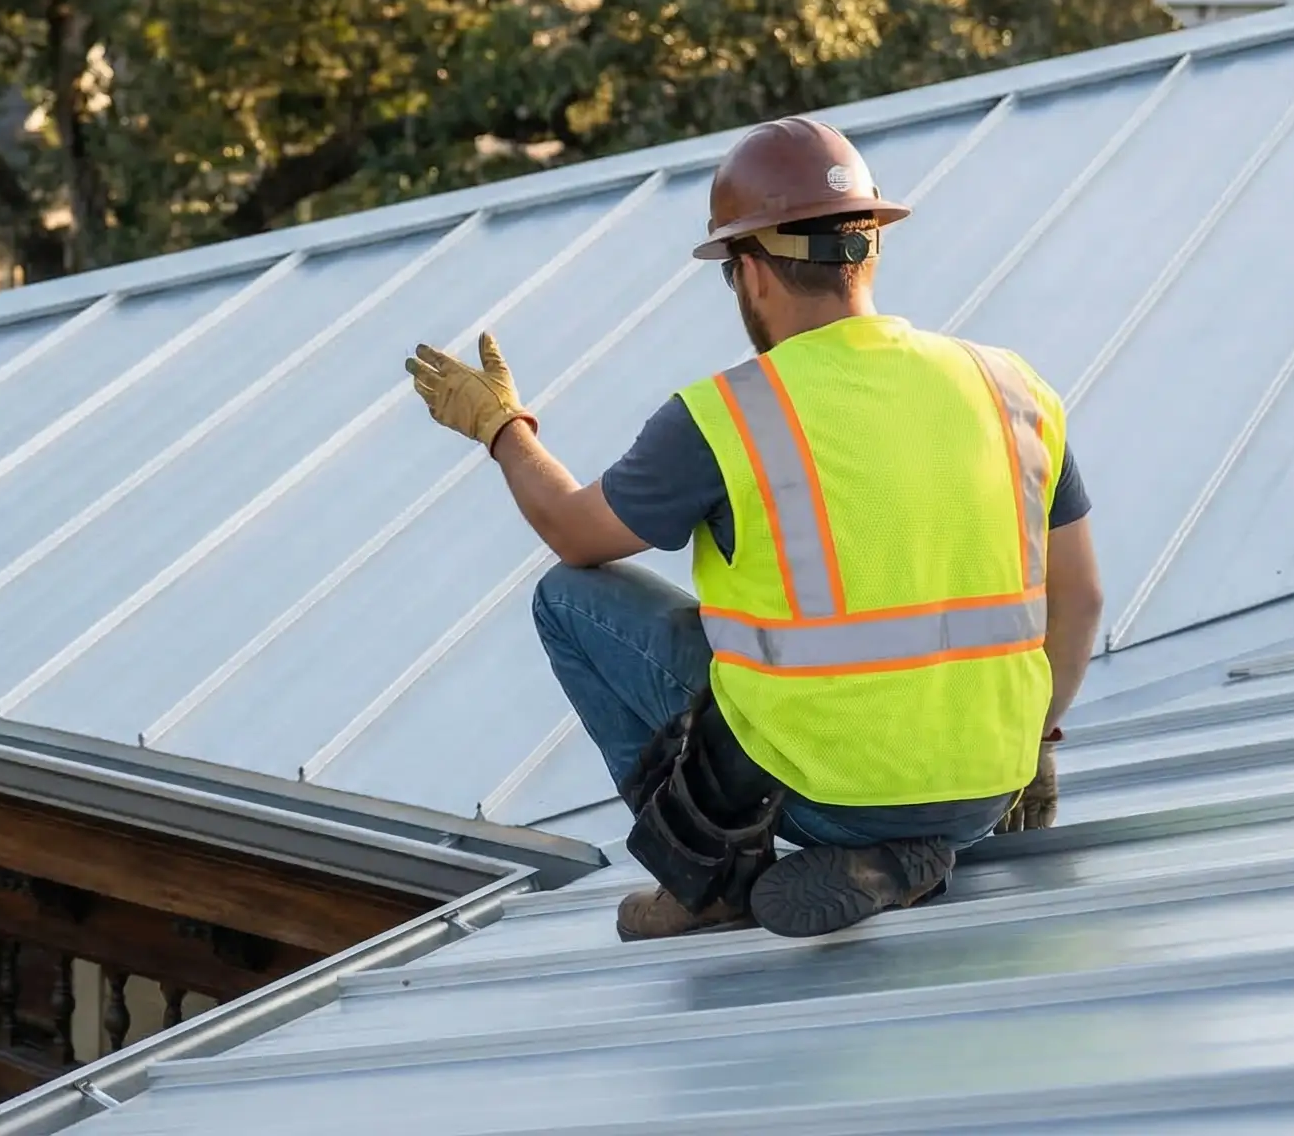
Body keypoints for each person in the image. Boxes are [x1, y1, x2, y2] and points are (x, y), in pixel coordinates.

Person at [406, 117, 1104, 941]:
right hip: (990, 786)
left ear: (750, 273)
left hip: (825, 797)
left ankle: (709, 878)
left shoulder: (729, 414)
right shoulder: (1011, 384)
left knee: (569, 600)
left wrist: (501, 429)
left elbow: (572, 532)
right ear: (869, 251)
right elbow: (1083, 597)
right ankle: (919, 848)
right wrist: (1031, 741)